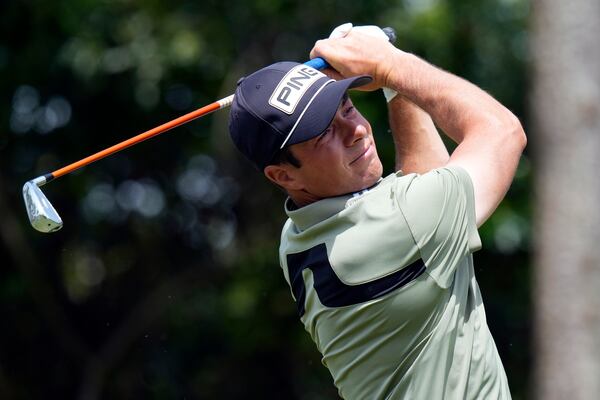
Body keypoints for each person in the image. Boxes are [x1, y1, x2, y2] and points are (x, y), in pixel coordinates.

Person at [228, 23, 526, 400]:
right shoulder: (392, 228)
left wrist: (393, 87)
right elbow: (502, 131)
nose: (354, 130)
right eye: (325, 134)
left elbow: (424, 186)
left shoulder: (299, 237)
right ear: (283, 174)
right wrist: (389, 63)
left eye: (347, 107)